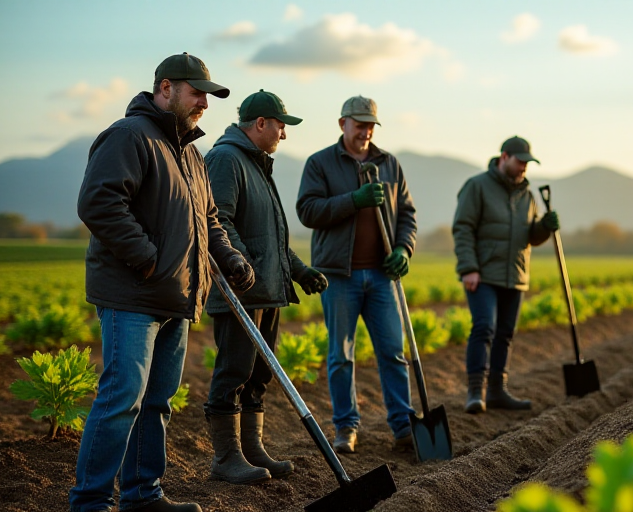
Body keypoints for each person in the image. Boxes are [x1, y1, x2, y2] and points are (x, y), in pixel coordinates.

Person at [71, 53, 254, 512]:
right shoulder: (129, 136)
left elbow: (207, 219)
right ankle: (90, 501)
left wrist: (228, 255)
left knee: (157, 402)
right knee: (121, 399)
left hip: (178, 296)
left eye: (209, 97)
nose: (204, 105)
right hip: (134, 293)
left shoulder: (191, 154)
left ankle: (142, 495)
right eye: (197, 94)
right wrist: (149, 260)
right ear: (166, 88)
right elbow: (100, 204)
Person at [203, 90, 328, 484]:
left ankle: (252, 450)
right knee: (234, 371)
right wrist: (240, 263)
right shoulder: (226, 159)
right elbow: (217, 220)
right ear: (260, 124)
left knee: (259, 375)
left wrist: (300, 271)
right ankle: (227, 458)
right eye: (280, 127)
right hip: (240, 291)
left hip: (267, 291)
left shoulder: (257, 164)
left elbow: (271, 236)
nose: (284, 136)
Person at [296, 95, 416, 454]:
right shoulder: (319, 163)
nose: (365, 131)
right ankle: (346, 427)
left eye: (370, 125)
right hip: (340, 276)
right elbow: (308, 211)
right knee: (340, 357)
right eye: (358, 123)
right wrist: (355, 200)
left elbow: (407, 214)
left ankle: (404, 425)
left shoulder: (389, 163)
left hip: (382, 276)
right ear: (342, 124)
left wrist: (403, 249)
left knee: (393, 352)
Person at [452, 136, 559, 414]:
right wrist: (469, 268)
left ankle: (497, 391)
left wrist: (545, 228)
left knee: (505, 333)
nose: (524, 167)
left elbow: (530, 237)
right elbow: (462, 228)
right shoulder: (477, 186)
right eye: (520, 161)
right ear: (504, 157)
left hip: (515, 274)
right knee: (484, 327)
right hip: (483, 273)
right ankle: (476, 392)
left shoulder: (528, 195)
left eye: (527, 163)